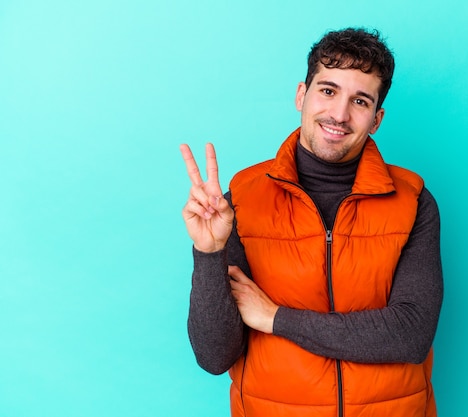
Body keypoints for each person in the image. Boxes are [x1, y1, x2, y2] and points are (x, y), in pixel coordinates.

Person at [180, 27, 443, 417]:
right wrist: (209, 252)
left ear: (376, 119)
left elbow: (409, 334)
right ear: (301, 95)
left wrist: (275, 318)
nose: (339, 113)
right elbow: (215, 357)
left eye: (360, 100)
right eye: (328, 90)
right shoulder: (243, 200)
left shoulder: (412, 199)